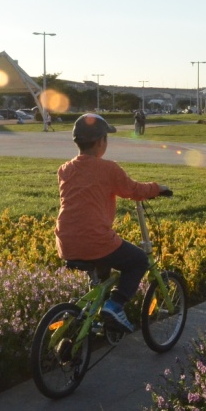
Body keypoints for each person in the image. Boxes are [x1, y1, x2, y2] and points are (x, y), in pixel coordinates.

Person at [55, 113, 167, 333]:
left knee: (102, 275)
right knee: (138, 260)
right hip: (95, 240)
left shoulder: (65, 169)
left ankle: (91, 318)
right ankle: (115, 305)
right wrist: (158, 188)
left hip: (66, 241)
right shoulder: (109, 169)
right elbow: (133, 190)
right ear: (100, 142)